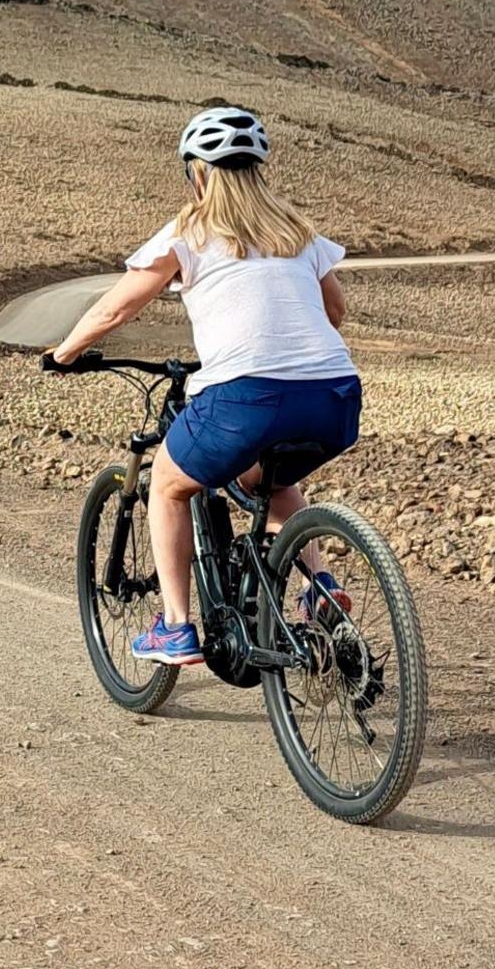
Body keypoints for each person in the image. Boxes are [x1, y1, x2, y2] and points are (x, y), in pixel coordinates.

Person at [44, 106, 358, 667]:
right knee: (269, 478)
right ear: (258, 170)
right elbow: (336, 309)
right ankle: (321, 585)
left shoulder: (188, 231)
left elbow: (117, 308)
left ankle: (174, 627)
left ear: (199, 174)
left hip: (247, 396)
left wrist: (65, 353)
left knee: (167, 481)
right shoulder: (297, 232)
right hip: (336, 396)